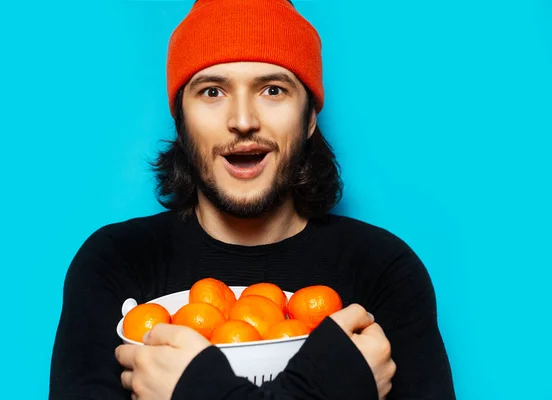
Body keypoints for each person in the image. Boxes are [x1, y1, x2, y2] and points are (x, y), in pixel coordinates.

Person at [49, 0, 456, 399]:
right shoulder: (117, 262)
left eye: (273, 89)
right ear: (181, 118)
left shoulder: (382, 269)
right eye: (212, 92)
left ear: (309, 117)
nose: (243, 120)